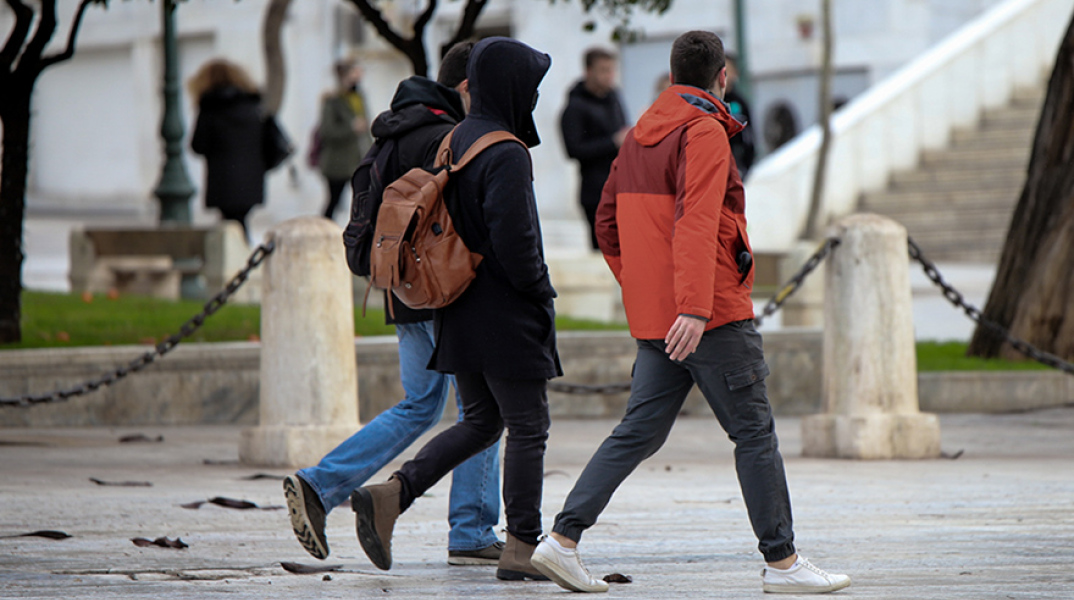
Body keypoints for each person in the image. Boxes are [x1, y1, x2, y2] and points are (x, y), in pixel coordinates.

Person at [530, 31, 852, 595]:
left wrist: (645, 289)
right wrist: (696, 308)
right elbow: (699, 220)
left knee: (636, 433)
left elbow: (606, 223)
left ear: (672, 74)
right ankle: (783, 564)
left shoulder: (635, 138)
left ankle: (561, 542)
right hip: (711, 315)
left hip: (661, 318)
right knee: (754, 432)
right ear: (721, 78)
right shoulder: (704, 130)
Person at [283, 42, 504, 567]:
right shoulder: (448, 138)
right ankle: (472, 530)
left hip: (403, 293)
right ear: (468, 89)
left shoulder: (391, 133)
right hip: (448, 293)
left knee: (421, 404)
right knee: (486, 409)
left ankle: (320, 484)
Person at [350, 37, 559, 583]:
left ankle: (393, 493)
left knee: (483, 421)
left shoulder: (456, 140)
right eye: (531, 87)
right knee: (528, 425)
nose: (533, 98)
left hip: (460, 308)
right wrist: (541, 291)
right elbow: (516, 244)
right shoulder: (506, 151)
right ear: (512, 87)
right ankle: (520, 548)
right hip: (506, 312)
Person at [559, 48, 630, 250]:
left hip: (622, 187)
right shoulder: (575, 107)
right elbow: (574, 150)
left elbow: (622, 129)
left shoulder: (614, 97)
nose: (609, 76)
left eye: (611, 70)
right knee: (604, 250)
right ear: (589, 71)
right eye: (604, 70)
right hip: (595, 193)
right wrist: (613, 142)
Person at [189, 59, 266, 238]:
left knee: (231, 225)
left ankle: (240, 260)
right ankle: (243, 257)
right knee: (238, 223)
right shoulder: (254, 105)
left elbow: (198, 145)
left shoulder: (210, 107)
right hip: (251, 180)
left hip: (222, 182)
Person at [317, 58, 372, 220]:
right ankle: (324, 232)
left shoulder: (358, 97)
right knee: (334, 201)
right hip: (337, 163)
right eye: (355, 73)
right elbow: (327, 131)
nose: (359, 77)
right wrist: (351, 128)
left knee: (363, 200)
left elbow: (365, 128)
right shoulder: (332, 100)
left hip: (358, 158)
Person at [724, 53, 757, 178]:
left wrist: (747, 163)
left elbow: (749, 133)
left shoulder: (740, 102)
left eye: (728, 71)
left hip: (736, 162)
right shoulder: (709, 102)